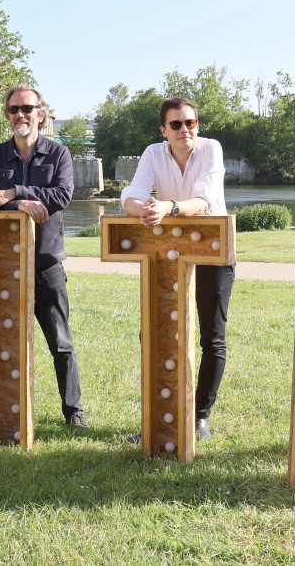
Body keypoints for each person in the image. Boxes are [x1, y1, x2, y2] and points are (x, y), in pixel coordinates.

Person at [0, 84, 88, 430]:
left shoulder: (59, 154)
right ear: (8, 116)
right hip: (2, 262)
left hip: (46, 261)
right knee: (1, 340)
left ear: (41, 113)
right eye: (13, 109)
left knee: (60, 341)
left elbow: (62, 195)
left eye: (27, 108)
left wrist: (12, 192)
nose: (20, 114)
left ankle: (74, 412)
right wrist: (20, 203)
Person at [120, 97, 233, 442]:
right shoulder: (153, 154)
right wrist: (144, 210)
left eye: (191, 123)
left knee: (212, 335)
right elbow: (130, 195)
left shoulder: (211, 148)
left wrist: (168, 206)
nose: (185, 130)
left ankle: (198, 417)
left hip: (214, 248)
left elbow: (206, 200)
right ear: (163, 130)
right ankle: (158, 418)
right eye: (176, 124)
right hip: (168, 253)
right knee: (156, 333)